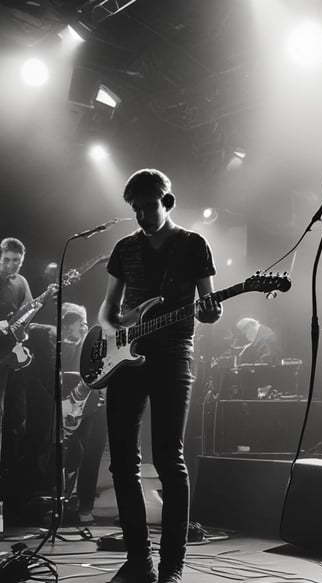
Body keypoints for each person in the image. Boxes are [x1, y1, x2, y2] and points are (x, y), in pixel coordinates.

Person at [98, 169, 222, 583]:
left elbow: (209, 305)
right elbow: (107, 309)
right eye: (134, 208)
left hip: (172, 356)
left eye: (148, 206)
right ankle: (139, 561)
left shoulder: (192, 244)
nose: (141, 214)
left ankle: (172, 567)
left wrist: (211, 311)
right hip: (126, 359)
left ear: (166, 202)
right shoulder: (124, 248)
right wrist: (118, 334)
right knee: (122, 464)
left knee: (170, 461)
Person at [59, 302, 107, 524]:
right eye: (81, 322)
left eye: (87, 322)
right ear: (67, 324)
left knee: (90, 455)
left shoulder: (93, 346)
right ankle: (60, 505)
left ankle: (84, 507)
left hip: (91, 409)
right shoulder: (58, 345)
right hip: (65, 410)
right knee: (65, 455)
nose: (85, 327)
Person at [0, 237, 33, 488]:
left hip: (7, 356)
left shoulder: (21, 282)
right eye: (7, 260)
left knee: (11, 416)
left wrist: (23, 332)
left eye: (16, 261)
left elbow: (28, 312)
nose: (11, 265)